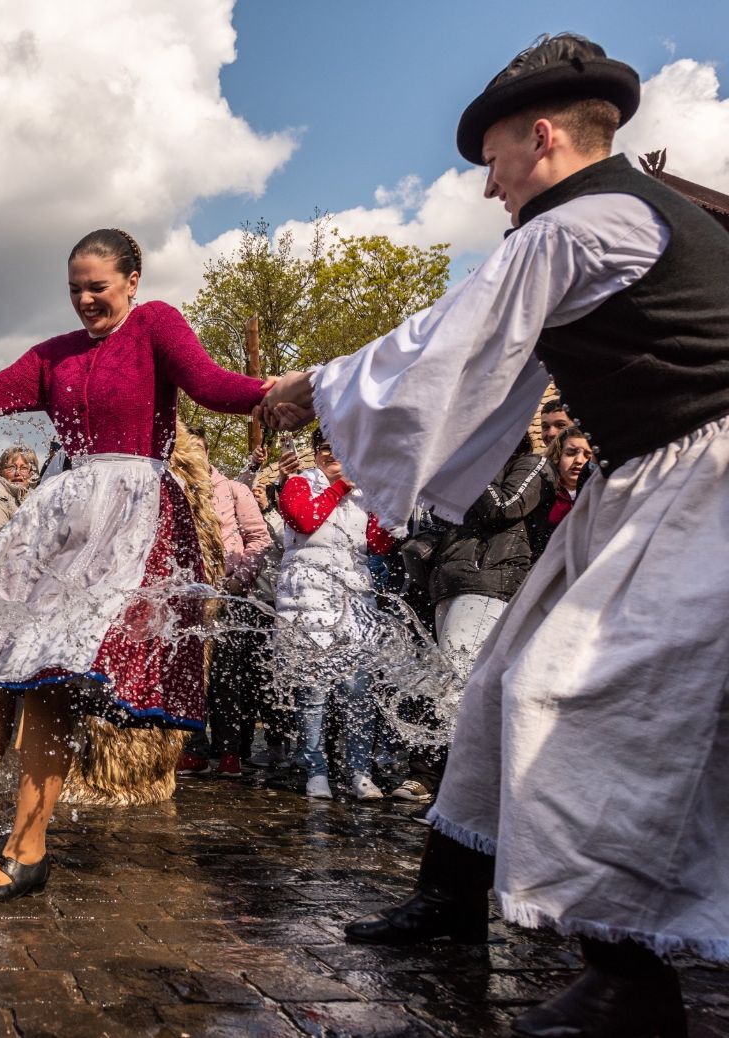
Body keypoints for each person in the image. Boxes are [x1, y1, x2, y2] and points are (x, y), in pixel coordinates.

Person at [260, 34, 727, 1033]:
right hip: (648, 480)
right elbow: (488, 369)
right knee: (499, 680)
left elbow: (448, 341)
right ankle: (451, 897)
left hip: (701, 483)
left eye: (493, 165)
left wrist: (313, 388)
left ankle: (627, 980)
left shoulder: (577, 222)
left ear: (543, 136)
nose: (487, 191)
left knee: (583, 701)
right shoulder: (613, 218)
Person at [0, 228, 268, 901]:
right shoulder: (54, 356)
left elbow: (213, 386)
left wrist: (289, 389)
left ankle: (27, 848)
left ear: (132, 279)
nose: (86, 300)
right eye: (75, 290)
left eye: (98, 287)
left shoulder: (156, 325)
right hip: (63, 514)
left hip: (131, 518)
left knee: (48, 671)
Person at [402, 439, 554, 802]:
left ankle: (461, 784)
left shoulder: (531, 462)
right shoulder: (464, 471)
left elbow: (504, 507)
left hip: (488, 582)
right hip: (447, 583)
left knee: (458, 687)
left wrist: (472, 466)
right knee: (446, 685)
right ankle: (441, 778)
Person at [274, 430, 396, 801]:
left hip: (354, 599)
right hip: (306, 599)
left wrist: (385, 503)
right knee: (314, 692)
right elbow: (304, 520)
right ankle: (317, 770)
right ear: (314, 454)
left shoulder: (364, 493)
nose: (331, 454)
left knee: (359, 691)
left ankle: (360, 771)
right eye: (324, 449)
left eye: (339, 447)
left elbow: (379, 543)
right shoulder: (298, 484)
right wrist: (342, 485)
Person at [189, 427, 273, 778]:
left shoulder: (235, 490)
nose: (193, 457)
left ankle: (230, 751)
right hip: (189, 595)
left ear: (207, 453)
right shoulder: (174, 490)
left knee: (227, 676)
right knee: (191, 675)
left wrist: (240, 579)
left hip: (230, 593)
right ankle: (193, 748)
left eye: (198, 450)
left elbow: (259, 538)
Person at [545, 425, 592, 528]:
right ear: (558, 456)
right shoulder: (542, 491)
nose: (579, 460)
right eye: (571, 453)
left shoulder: (598, 493)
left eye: (588, 455)